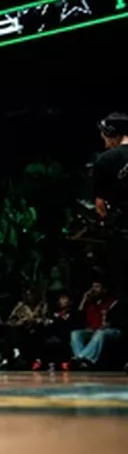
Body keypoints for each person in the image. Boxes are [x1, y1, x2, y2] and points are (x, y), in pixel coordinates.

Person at [94, 112, 128, 313]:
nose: (106, 144)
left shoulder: (105, 160)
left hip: (122, 235)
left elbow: (100, 205)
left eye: (105, 138)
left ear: (112, 133)